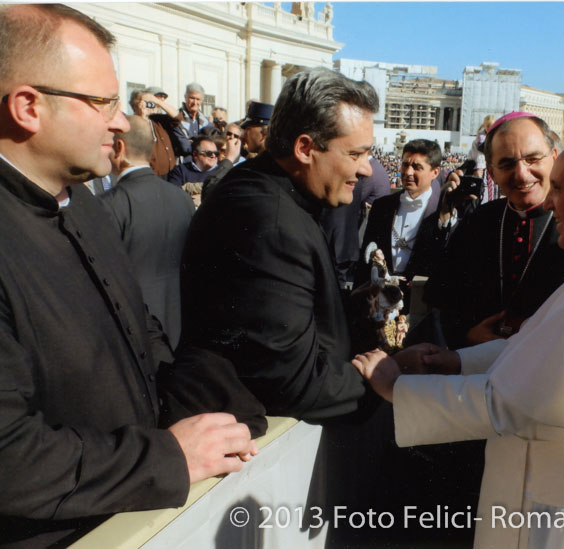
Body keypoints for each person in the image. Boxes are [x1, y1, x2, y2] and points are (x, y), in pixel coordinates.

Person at [353, 132, 564, 548]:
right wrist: (461, 362)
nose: (549, 202)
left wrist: (397, 387)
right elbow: (554, 356)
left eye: (559, 186)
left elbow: (506, 403)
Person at [0, 5, 258, 546]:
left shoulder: (86, 207)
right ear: (28, 107)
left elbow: (138, 332)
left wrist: (213, 405)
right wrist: (167, 458)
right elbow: (11, 457)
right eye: (103, 102)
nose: (121, 122)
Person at [180, 67, 380, 421]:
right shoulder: (272, 222)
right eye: (355, 154)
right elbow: (293, 382)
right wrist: (382, 378)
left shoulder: (270, 191)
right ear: (305, 148)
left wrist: (346, 308)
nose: (366, 169)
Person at [425, 112, 564, 349]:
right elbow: (441, 298)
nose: (521, 174)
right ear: (492, 173)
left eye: (533, 159)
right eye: (506, 164)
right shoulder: (478, 222)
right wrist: (467, 334)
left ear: (554, 158)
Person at [100, 114, 196, 350]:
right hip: (178, 328)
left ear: (119, 148)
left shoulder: (107, 205)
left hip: (132, 335)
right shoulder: (183, 199)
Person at [356, 139, 445, 309]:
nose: (408, 172)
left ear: (435, 172)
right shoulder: (382, 206)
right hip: (379, 303)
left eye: (417, 167)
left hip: (421, 305)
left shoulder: (442, 211)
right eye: (405, 165)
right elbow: (365, 260)